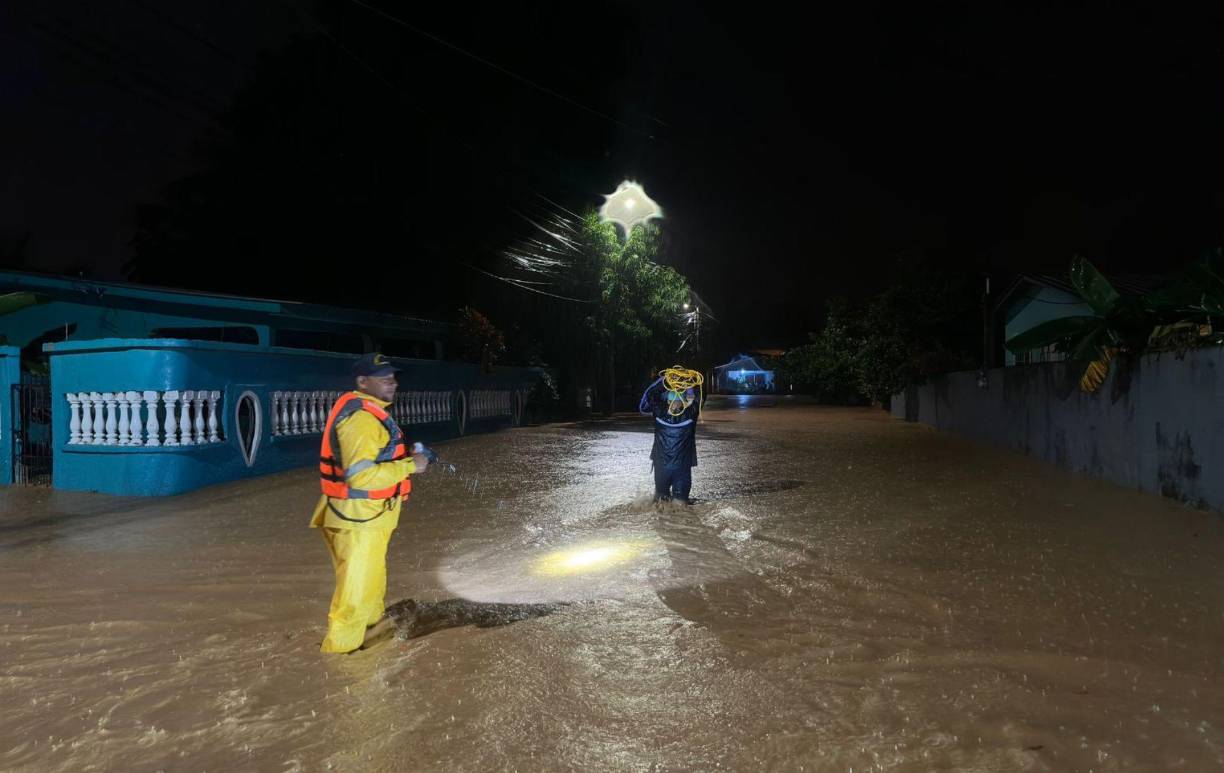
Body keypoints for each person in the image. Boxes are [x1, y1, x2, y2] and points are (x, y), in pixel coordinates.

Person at [310, 352, 430, 653]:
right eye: (383, 377)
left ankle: (372, 641)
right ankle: (340, 662)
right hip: (358, 520)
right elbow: (360, 477)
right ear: (362, 382)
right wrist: (410, 466)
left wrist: (406, 458)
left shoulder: (370, 411)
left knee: (370, 588)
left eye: (393, 376)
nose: (392, 382)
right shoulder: (361, 419)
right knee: (354, 598)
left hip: (366, 519)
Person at [639, 365, 702, 503]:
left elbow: (651, 394)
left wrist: (666, 381)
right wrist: (686, 380)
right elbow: (699, 393)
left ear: (667, 399)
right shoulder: (691, 415)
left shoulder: (659, 413)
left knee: (660, 504)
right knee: (681, 507)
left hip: (661, 469)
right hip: (682, 470)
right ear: (685, 400)